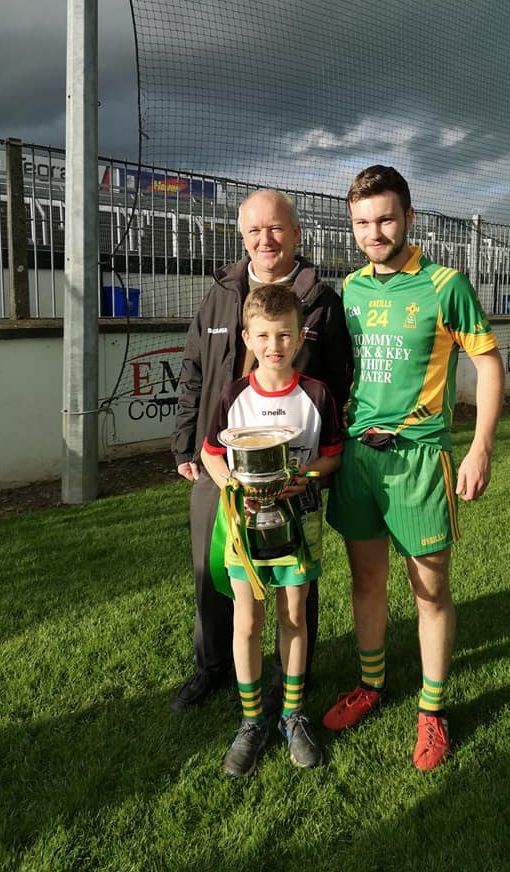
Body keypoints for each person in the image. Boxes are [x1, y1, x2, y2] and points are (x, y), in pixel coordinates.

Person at [323, 165, 505, 771]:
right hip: (358, 458)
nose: (373, 233)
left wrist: (480, 447)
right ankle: (371, 685)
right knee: (366, 581)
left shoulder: (445, 285)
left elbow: (489, 364)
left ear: (409, 218)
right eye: (361, 223)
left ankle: (432, 710)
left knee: (429, 591)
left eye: (385, 219)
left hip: (420, 459)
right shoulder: (351, 289)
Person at [171, 189, 352, 712]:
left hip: (293, 474)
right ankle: (212, 667)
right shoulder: (221, 292)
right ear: (242, 235)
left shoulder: (321, 300)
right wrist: (185, 443)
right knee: (213, 568)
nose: (264, 239)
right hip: (219, 463)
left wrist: (320, 466)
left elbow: (339, 383)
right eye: (254, 230)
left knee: (296, 573)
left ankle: (288, 678)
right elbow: (193, 371)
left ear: (296, 233)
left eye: (275, 229)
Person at [200, 285, 343, 776]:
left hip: (298, 525)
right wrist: (232, 484)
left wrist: (306, 475)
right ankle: (251, 721)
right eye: (262, 336)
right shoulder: (233, 395)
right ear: (247, 337)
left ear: (300, 336)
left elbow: (333, 456)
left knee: (294, 616)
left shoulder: (316, 395)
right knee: (247, 622)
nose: (274, 345)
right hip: (244, 527)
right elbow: (210, 455)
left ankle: (293, 714)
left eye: (284, 335)